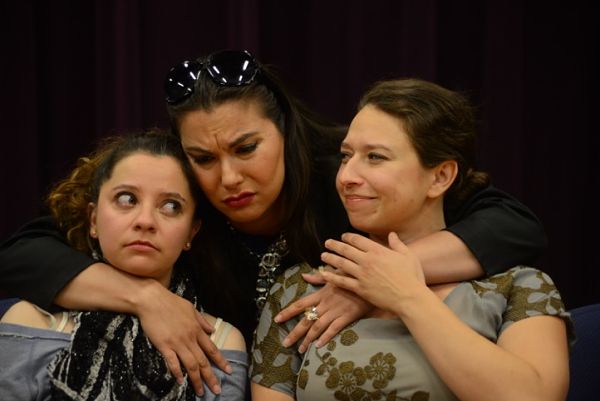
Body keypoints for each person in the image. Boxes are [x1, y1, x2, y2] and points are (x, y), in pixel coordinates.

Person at [0, 50, 547, 394]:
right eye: (205, 159)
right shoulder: (177, 193)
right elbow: (24, 254)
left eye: (247, 148)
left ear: (284, 130)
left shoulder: (344, 174)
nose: (228, 178)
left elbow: (513, 224)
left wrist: (375, 278)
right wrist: (147, 298)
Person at [250, 78, 572, 401]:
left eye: (375, 157)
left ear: (440, 177)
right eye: (346, 156)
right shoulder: (303, 289)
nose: (346, 177)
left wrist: (407, 296)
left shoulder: (519, 288)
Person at [0, 131, 247, 400]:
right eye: (127, 199)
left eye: (171, 206)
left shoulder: (220, 341)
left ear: (191, 232)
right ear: (93, 220)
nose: (145, 220)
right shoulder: (30, 320)